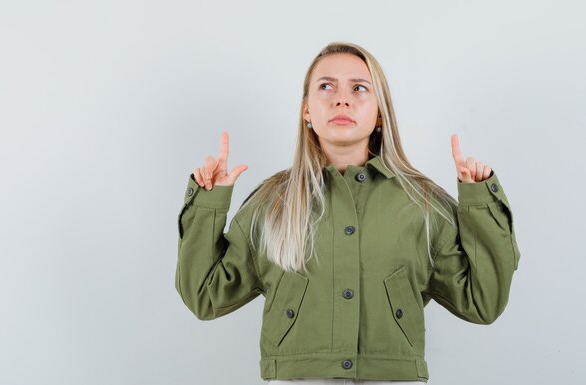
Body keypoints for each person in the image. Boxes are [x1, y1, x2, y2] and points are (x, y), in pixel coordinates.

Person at [175, 42, 520, 384]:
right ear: (306, 110)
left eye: (359, 88)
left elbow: (482, 302)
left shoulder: (422, 202)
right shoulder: (272, 202)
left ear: (380, 112)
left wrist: (480, 200)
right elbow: (205, 296)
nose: (342, 99)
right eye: (326, 86)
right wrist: (208, 203)